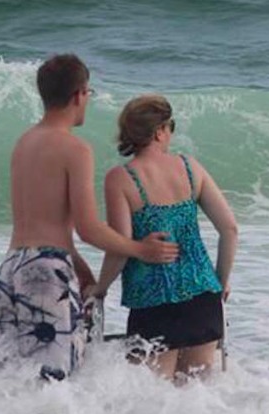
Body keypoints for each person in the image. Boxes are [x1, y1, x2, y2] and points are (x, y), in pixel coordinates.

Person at [0, 54, 179, 381]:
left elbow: (41, 221)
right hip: (48, 274)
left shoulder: (24, 143)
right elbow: (88, 228)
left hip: (12, 267)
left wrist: (77, 262)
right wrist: (140, 249)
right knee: (55, 383)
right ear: (79, 94)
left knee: (9, 381)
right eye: (88, 93)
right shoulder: (75, 149)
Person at [87, 94, 238, 384]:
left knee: (153, 405)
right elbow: (229, 229)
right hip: (203, 300)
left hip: (154, 305)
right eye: (171, 126)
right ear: (159, 131)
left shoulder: (121, 178)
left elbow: (120, 248)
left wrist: (100, 288)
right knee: (197, 402)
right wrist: (220, 281)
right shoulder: (190, 167)